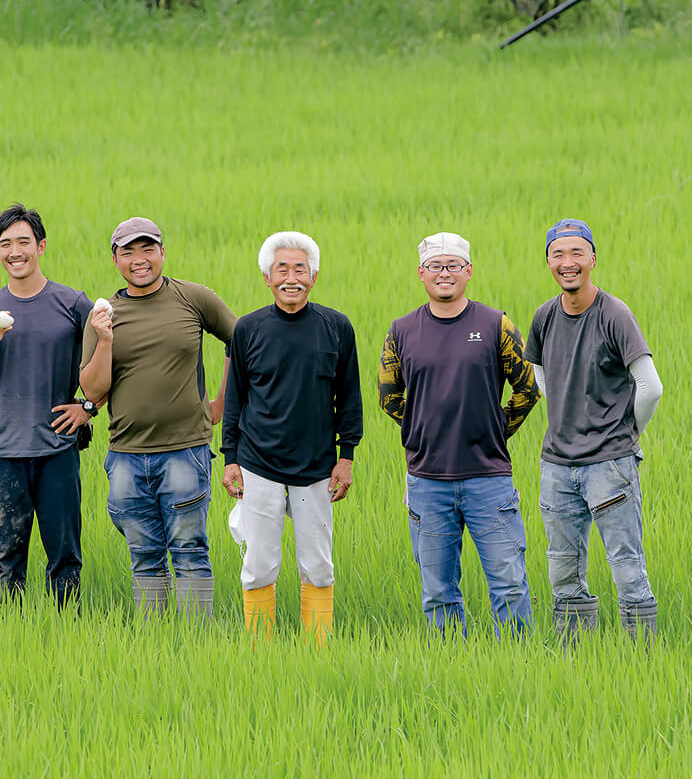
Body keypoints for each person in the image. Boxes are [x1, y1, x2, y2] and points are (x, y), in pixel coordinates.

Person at [378, 231, 540, 635]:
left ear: (468, 271)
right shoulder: (402, 331)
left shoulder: (495, 324)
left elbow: (528, 388)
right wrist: (421, 428)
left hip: (489, 479)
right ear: (421, 273)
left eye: (453, 265)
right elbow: (387, 394)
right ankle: (451, 665)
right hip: (427, 479)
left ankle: (520, 668)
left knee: (509, 587)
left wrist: (497, 430)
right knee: (437, 592)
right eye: (435, 266)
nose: (444, 273)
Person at [80, 217, 237, 620]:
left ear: (162, 253)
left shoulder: (193, 298)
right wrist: (105, 339)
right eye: (128, 252)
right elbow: (93, 390)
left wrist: (222, 402)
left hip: (185, 450)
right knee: (145, 556)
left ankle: (196, 644)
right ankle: (157, 639)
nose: (139, 259)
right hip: (127, 456)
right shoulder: (103, 314)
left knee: (189, 551)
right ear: (115, 259)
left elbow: (244, 343)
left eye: (147, 249)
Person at [524, 219, 664, 640]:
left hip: (610, 465)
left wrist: (622, 433)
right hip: (557, 467)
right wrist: (567, 415)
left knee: (627, 570)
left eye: (576, 253)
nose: (568, 263)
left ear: (593, 259)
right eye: (558, 255)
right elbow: (540, 373)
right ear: (548, 261)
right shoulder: (545, 316)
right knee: (562, 571)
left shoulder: (614, 314)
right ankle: (577, 660)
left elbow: (651, 387)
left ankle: (643, 663)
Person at [221, 231, 363, 643]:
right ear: (267, 276)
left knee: (318, 564)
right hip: (258, 462)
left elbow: (349, 397)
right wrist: (230, 457)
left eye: (300, 268)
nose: (291, 277)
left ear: (314, 276)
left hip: (317, 465)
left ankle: (317, 647)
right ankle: (260, 649)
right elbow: (235, 399)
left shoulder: (336, 327)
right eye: (281, 268)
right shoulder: (248, 329)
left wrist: (346, 456)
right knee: (259, 564)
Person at [0, 203, 95, 608]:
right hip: (4, 452)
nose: (15, 251)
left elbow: (104, 364)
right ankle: (11, 638)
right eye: (5, 244)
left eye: (23, 241)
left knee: (66, 559)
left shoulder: (72, 304)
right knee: (6, 562)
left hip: (58, 450)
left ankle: (67, 635)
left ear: (41, 245)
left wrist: (88, 406)